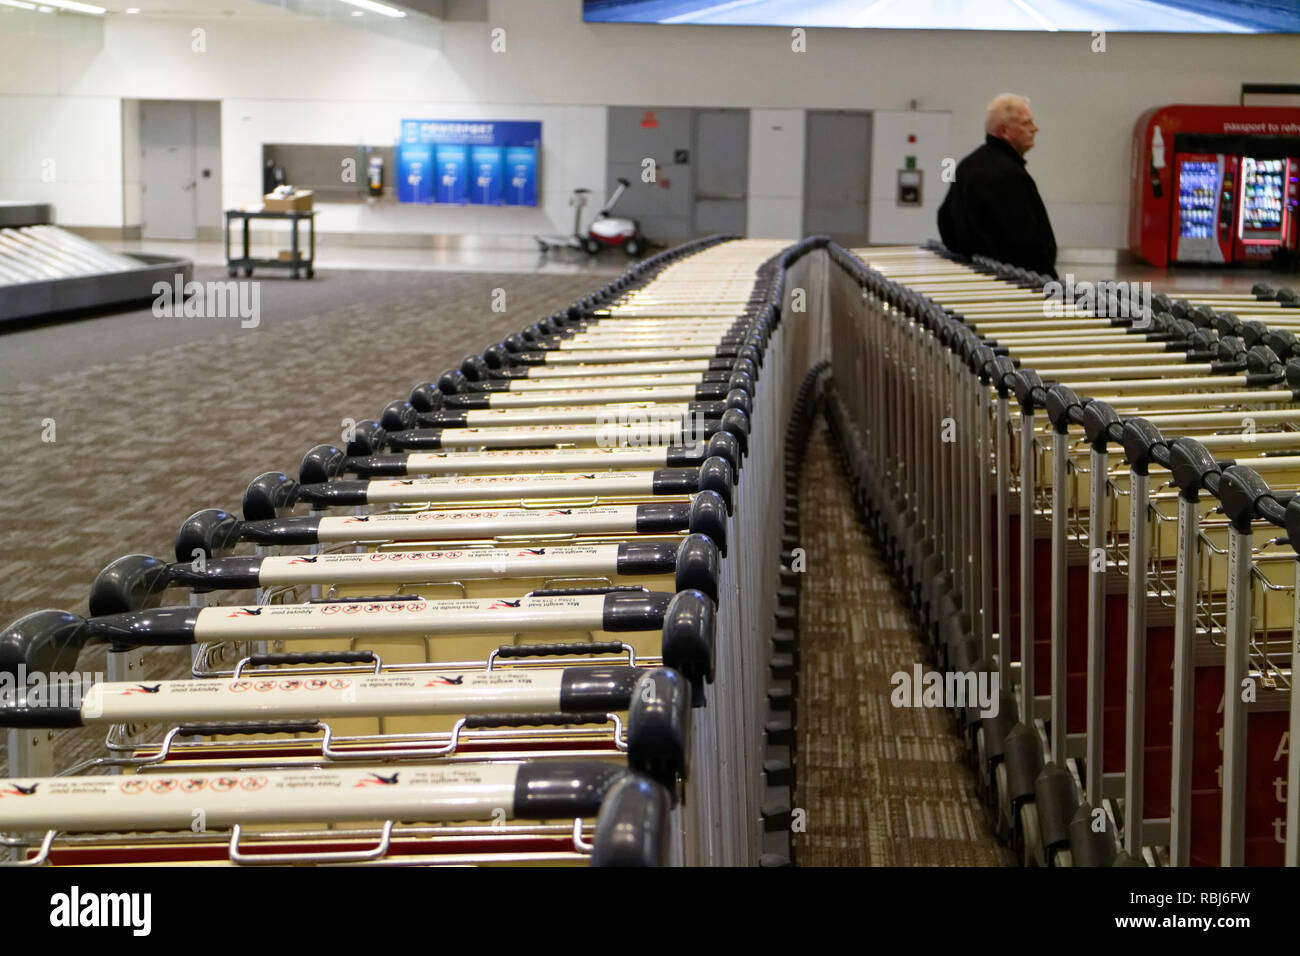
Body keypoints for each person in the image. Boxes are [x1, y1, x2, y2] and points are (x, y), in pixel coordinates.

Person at [938, 93, 1058, 279]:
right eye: (1026, 123)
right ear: (1004, 131)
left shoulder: (967, 165)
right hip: (1015, 283)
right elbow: (1030, 245)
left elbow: (946, 224)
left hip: (975, 275)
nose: (1035, 129)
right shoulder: (1009, 175)